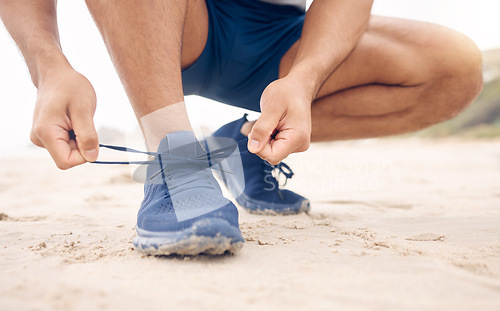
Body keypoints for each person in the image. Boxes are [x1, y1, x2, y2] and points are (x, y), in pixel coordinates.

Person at [0, 0, 483, 255]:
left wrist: (303, 79)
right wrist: (49, 68)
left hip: (285, 34)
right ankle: (177, 161)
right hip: (176, 20)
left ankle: (241, 144)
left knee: (453, 67)